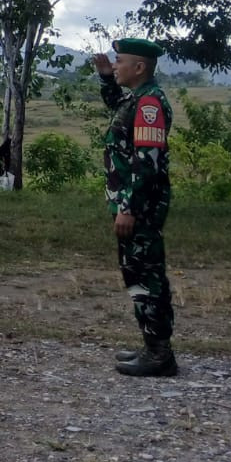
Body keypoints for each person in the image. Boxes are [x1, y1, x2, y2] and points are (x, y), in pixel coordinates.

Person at [94, 38, 176, 378]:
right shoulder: (137, 100)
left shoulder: (149, 107)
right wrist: (104, 77)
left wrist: (128, 208)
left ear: (139, 67)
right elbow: (116, 105)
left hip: (138, 207)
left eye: (120, 61)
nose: (116, 65)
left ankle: (160, 355)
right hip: (130, 204)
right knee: (136, 273)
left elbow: (147, 164)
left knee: (147, 276)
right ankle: (152, 346)